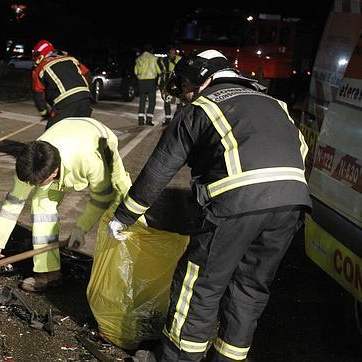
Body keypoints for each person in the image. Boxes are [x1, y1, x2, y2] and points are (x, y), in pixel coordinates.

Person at [107, 49, 311, 361]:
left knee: (199, 284)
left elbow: (160, 169)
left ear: (204, 78)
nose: (186, 96)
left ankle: (178, 358)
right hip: (291, 203)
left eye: (186, 88)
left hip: (237, 204)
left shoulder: (201, 109)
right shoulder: (276, 103)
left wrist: (124, 216)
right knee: (250, 288)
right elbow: (300, 148)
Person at [0, 116, 133, 292]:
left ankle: (122, 277)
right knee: (40, 203)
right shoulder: (31, 162)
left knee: (121, 204)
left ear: (53, 173)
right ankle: (48, 274)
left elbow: (101, 197)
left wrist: (81, 229)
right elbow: (11, 207)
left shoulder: (90, 161)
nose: (31, 186)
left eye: (38, 182)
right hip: (65, 134)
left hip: (98, 137)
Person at [30, 40, 93, 130]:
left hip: (65, 103)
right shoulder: (70, 59)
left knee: (51, 134)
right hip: (85, 100)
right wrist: (87, 92)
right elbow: (87, 74)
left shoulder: (40, 67)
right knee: (78, 131)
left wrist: (44, 112)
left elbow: (38, 92)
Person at [134, 44, 160, 126]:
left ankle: (141, 120)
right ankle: (149, 120)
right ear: (151, 50)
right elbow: (159, 71)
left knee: (142, 101)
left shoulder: (138, 59)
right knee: (152, 101)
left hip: (141, 81)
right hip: (150, 81)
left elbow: (135, 71)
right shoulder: (154, 58)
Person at [157, 45, 182, 125]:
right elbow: (161, 70)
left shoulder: (179, 59)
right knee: (167, 101)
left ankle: (177, 119)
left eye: (174, 53)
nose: (173, 55)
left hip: (177, 83)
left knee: (179, 101)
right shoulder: (164, 60)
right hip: (166, 82)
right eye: (171, 53)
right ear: (168, 53)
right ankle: (168, 119)